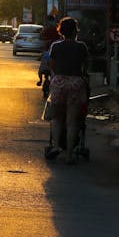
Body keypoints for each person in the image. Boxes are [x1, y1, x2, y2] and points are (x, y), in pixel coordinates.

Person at [48, 16, 89, 163]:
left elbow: (51, 65)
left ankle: (56, 146)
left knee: (57, 118)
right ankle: (69, 155)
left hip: (59, 82)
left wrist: (57, 76)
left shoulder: (56, 46)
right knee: (72, 121)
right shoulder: (81, 47)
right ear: (75, 31)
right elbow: (85, 67)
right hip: (76, 83)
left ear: (61, 31)